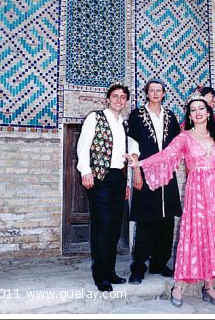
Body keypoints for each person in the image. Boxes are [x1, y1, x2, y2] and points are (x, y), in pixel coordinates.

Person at [124, 92, 215, 308]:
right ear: (190, 116)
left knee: (214, 235)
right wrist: (140, 164)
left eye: (201, 109)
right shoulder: (184, 137)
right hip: (198, 191)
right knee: (194, 235)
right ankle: (179, 286)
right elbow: (166, 155)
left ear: (208, 113)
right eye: (193, 110)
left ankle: (209, 286)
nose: (198, 113)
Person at [76, 82, 131, 292]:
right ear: (108, 99)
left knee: (115, 225)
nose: (119, 100)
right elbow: (83, 145)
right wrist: (85, 171)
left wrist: (124, 183)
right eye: (115, 96)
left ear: (125, 101)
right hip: (99, 177)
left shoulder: (122, 124)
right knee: (103, 225)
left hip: (117, 177)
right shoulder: (95, 117)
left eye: (122, 97)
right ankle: (101, 276)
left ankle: (110, 271)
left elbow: (121, 157)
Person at [127, 78, 182, 284]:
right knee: (145, 220)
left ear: (164, 93)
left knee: (167, 219)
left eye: (159, 90)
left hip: (167, 174)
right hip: (146, 171)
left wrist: (174, 164)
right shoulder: (137, 116)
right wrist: (137, 172)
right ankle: (138, 266)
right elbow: (133, 146)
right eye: (152, 90)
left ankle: (159, 263)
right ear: (147, 93)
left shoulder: (170, 116)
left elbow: (177, 144)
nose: (156, 93)